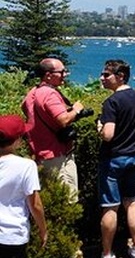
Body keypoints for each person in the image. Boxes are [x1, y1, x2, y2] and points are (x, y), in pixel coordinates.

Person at [97, 59, 135, 258]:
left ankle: (107, 252)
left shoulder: (112, 102)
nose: (102, 78)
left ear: (120, 76)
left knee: (110, 207)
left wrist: (100, 128)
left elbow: (108, 134)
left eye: (106, 74)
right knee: (132, 203)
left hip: (113, 159)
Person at [21, 57, 87, 198]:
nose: (65, 75)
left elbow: (25, 108)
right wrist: (76, 110)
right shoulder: (50, 94)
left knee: (48, 197)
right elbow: (63, 120)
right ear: (48, 75)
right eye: (61, 72)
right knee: (66, 198)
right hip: (56, 154)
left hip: (39, 151)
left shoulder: (33, 92)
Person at [0, 114, 47, 258]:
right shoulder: (26, 166)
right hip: (13, 235)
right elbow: (35, 205)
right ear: (16, 141)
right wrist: (43, 230)